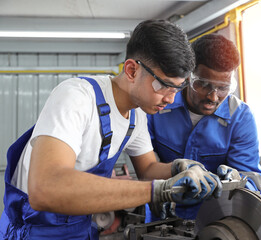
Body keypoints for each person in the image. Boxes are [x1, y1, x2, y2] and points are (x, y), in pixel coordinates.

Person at [0, 20, 222, 239]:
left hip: (80, 229)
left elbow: (148, 169)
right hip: (32, 231)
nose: (171, 98)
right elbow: (46, 188)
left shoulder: (137, 116)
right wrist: (158, 190)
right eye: (163, 85)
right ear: (132, 70)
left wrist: (179, 168)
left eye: (178, 88)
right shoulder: (76, 97)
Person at [146, 33, 261, 221]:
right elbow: (145, 161)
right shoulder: (160, 105)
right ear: (188, 76)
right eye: (203, 85)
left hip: (214, 223)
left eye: (223, 88)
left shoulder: (240, 118)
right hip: (161, 217)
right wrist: (159, 188)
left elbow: (250, 180)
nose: (213, 97)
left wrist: (238, 181)